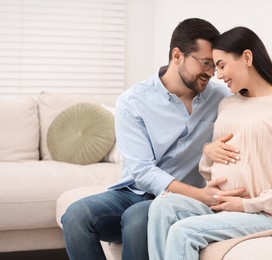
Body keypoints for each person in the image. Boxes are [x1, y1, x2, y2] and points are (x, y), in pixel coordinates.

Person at [61, 18, 246, 260]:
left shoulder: (221, 98)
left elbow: (260, 106)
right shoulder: (134, 101)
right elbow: (142, 171)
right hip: (135, 192)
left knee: (138, 218)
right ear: (177, 55)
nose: (211, 73)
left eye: (214, 65)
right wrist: (200, 194)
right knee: (75, 215)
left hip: (181, 200)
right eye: (205, 63)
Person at [147, 26, 272, 260]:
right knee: (161, 206)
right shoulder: (228, 105)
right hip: (219, 204)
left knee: (183, 232)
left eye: (222, 65)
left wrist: (248, 205)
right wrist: (208, 152)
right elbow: (207, 170)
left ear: (247, 57)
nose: (217, 75)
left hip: (262, 214)